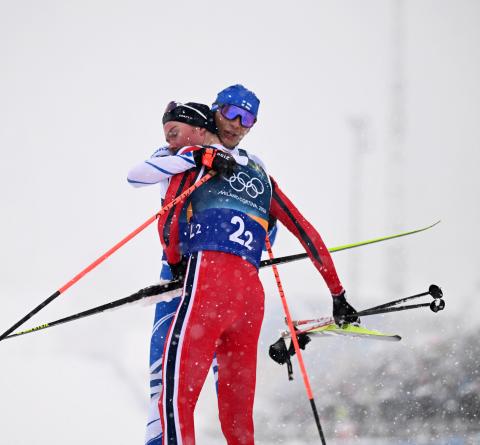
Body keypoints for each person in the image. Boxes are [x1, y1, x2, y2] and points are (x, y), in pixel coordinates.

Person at [149, 86, 358, 444]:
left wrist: (175, 263)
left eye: (248, 119)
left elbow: (168, 220)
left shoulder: (196, 160)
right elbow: (307, 233)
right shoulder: (263, 179)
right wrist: (337, 293)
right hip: (249, 300)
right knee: (239, 422)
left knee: (174, 403)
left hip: (207, 287)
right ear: (215, 111)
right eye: (232, 113)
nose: (238, 124)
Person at [127, 97, 276, 445]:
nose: (169, 140)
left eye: (246, 118)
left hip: (219, 280)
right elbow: (135, 176)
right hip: (176, 278)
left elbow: (269, 220)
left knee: (228, 385)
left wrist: (253, 250)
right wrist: (194, 155)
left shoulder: (252, 164)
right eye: (230, 114)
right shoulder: (175, 155)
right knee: (165, 385)